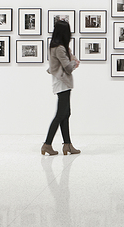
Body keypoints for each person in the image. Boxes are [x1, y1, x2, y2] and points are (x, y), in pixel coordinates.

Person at [41, 20, 81, 156]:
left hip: (61, 82)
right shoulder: (59, 48)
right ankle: (47, 144)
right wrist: (75, 63)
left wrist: (71, 58)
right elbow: (68, 68)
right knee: (60, 114)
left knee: (66, 113)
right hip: (62, 82)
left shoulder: (56, 46)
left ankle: (68, 145)